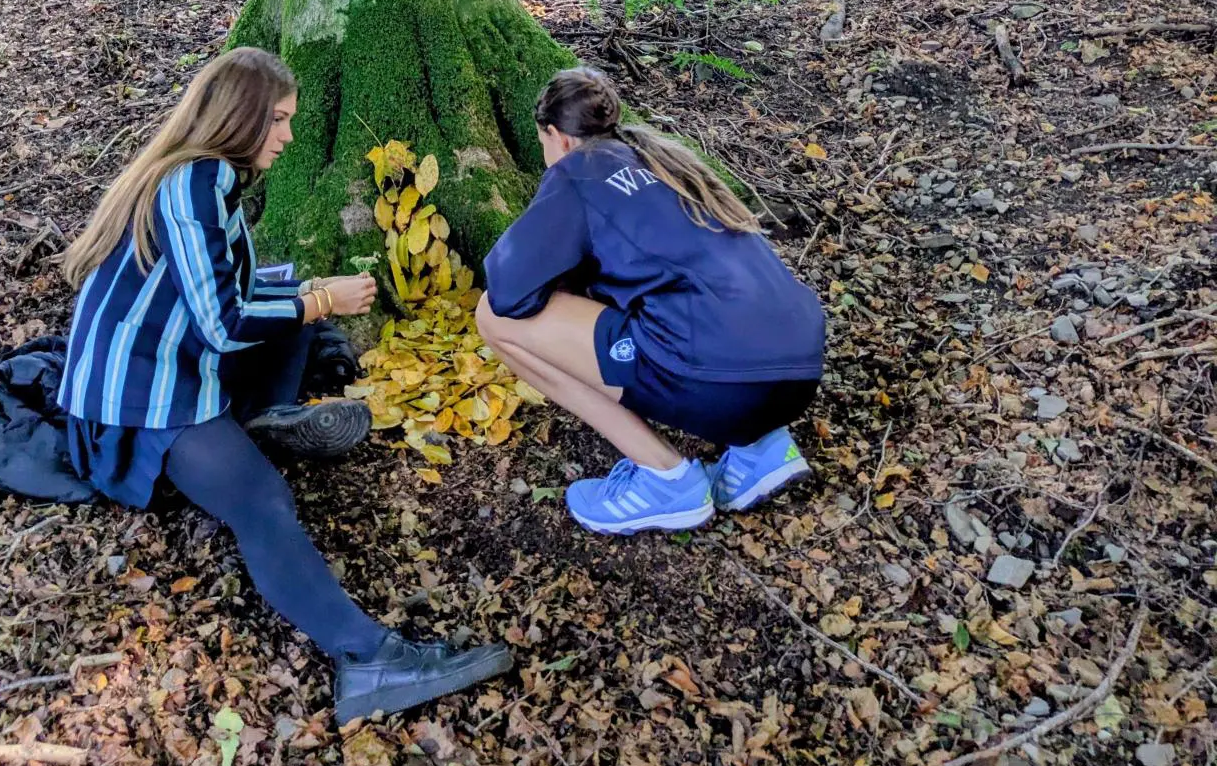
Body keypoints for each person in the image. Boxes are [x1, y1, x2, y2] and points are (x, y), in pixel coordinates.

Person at [58, 47, 511, 723]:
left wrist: (308, 294)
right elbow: (224, 320)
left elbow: (234, 292)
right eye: (277, 119)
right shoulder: (197, 179)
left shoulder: (205, 178)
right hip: (140, 397)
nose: (289, 136)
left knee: (292, 296)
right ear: (238, 115)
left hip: (170, 364)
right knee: (262, 500)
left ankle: (265, 416)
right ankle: (368, 660)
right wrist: (321, 300)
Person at [477, 68, 825, 536]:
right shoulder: (662, 158)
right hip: (800, 371)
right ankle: (759, 449)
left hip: (723, 380)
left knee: (493, 318)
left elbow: (508, 290)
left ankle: (666, 479)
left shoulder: (577, 174)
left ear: (558, 138)